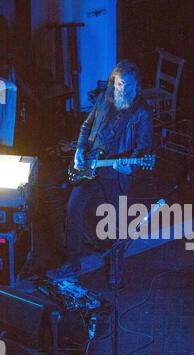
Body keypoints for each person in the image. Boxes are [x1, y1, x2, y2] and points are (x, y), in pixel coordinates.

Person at [53, 60, 153, 281]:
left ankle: (116, 264)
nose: (123, 90)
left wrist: (130, 167)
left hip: (115, 173)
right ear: (113, 82)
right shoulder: (104, 98)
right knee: (73, 209)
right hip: (90, 165)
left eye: (128, 85)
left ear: (136, 85)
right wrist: (79, 149)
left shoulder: (142, 112)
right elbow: (86, 126)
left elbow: (144, 147)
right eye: (119, 84)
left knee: (117, 220)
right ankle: (72, 263)